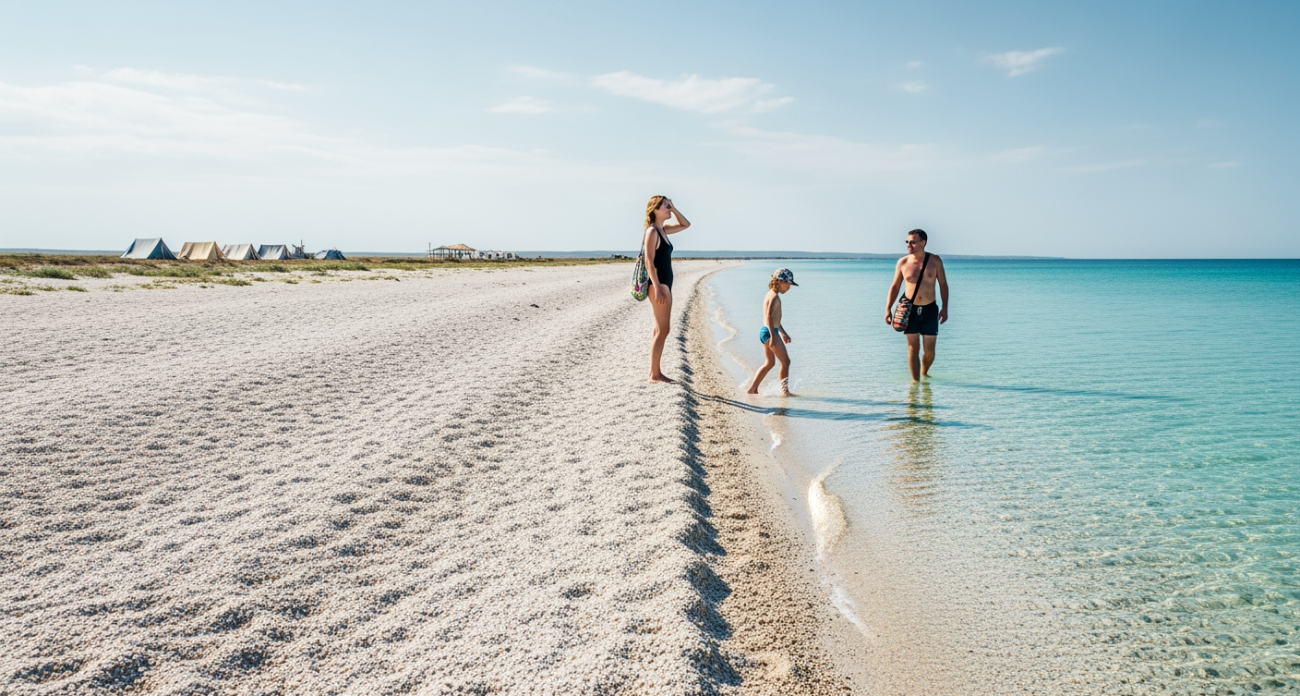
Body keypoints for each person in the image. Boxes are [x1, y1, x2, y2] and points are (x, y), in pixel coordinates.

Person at [885, 229, 949, 381]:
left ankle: (924, 372)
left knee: (929, 352)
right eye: (907, 242)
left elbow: (943, 285)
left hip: (929, 309)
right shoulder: (903, 262)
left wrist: (945, 307)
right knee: (913, 349)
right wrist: (888, 308)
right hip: (910, 310)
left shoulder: (935, 261)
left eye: (913, 242)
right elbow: (895, 286)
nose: (909, 245)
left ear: (923, 242)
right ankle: (914, 386)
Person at [643, 195, 691, 383]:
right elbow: (648, 261)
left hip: (663, 284)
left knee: (658, 329)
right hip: (659, 285)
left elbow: (686, 224)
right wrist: (657, 288)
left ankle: (654, 372)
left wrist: (674, 208)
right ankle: (655, 375)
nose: (669, 209)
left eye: (669, 206)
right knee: (664, 330)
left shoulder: (663, 230)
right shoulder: (652, 232)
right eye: (665, 206)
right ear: (655, 210)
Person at [746, 268, 798, 396]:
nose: (789, 287)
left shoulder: (770, 294)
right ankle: (785, 392)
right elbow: (768, 317)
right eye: (788, 284)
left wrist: (783, 332)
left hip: (766, 331)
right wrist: (774, 336)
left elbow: (774, 320)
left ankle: (753, 389)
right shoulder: (774, 297)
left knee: (770, 363)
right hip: (770, 333)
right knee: (786, 362)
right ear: (780, 281)